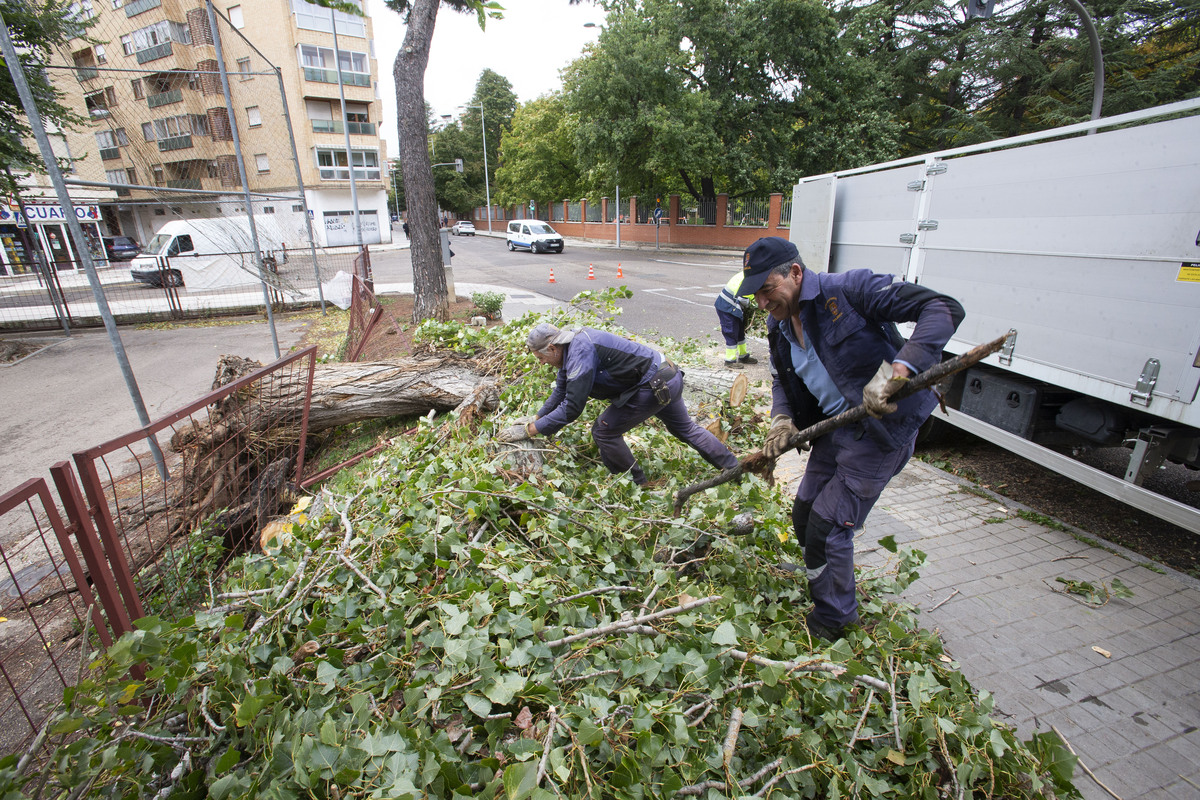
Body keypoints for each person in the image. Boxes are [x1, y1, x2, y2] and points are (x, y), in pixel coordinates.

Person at [739, 236, 964, 641]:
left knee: (827, 525)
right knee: (805, 514)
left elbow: (942, 309)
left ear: (795, 273)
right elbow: (780, 379)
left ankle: (834, 621)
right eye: (755, 295)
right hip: (835, 427)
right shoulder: (777, 327)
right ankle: (820, 578)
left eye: (767, 290)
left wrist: (900, 371)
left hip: (880, 433)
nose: (762, 303)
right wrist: (782, 419)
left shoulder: (849, 290)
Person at [497, 323, 739, 485]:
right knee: (686, 429)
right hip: (667, 376)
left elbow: (572, 407)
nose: (541, 363)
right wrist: (537, 419)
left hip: (654, 385)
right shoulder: (569, 348)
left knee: (604, 430)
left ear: (551, 347)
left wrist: (529, 432)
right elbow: (561, 389)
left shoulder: (580, 353)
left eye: (540, 358)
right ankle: (735, 469)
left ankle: (636, 484)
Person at [714, 272, 758, 369]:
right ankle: (729, 361)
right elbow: (744, 300)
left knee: (740, 332)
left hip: (732, 305)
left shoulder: (749, 274)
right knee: (731, 332)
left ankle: (743, 356)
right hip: (727, 307)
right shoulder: (751, 280)